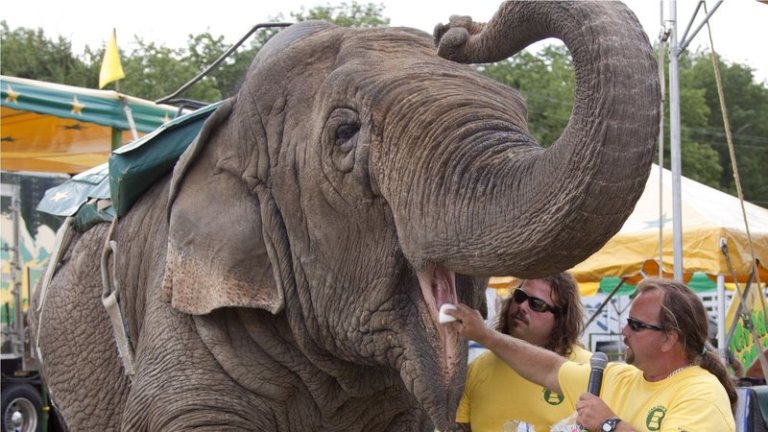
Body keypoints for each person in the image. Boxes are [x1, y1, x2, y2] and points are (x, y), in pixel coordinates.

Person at [446, 278, 737, 432]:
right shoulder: (621, 377)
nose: (623, 331)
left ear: (669, 339)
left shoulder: (702, 393)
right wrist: (485, 335)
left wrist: (610, 424)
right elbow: (548, 369)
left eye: (636, 325)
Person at [455, 273, 591, 431]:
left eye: (536, 304)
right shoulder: (477, 368)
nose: (522, 307)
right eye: (520, 296)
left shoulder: (587, 370)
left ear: (561, 318)